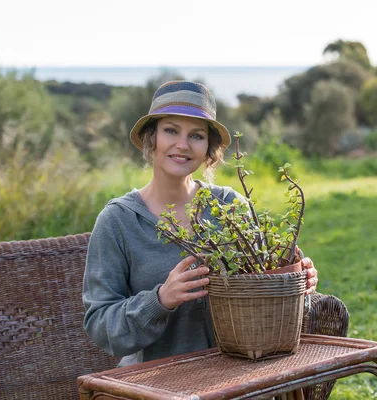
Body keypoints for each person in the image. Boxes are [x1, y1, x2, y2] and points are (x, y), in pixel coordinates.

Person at [82, 80, 319, 366]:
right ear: (151, 139)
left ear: (209, 149)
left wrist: (294, 282)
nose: (182, 145)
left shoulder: (230, 208)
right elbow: (100, 326)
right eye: (170, 130)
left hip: (238, 375)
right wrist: (160, 299)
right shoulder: (118, 221)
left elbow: (264, 288)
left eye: (196, 135)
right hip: (154, 384)